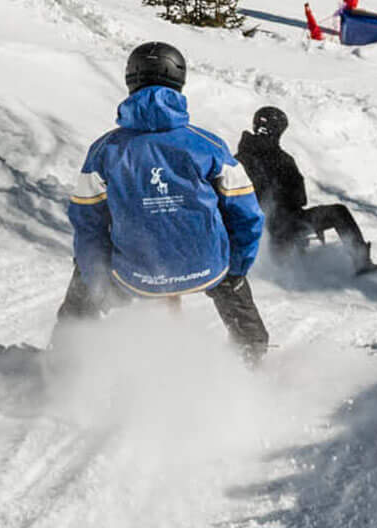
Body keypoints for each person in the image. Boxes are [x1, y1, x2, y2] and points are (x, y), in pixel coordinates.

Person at [56, 39, 269, 361]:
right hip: (208, 267)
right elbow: (246, 213)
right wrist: (236, 268)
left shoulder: (105, 150)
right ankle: (250, 353)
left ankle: (67, 358)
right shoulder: (207, 145)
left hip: (135, 273)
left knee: (84, 271)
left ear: (131, 81)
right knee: (230, 277)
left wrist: (96, 279)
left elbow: (87, 223)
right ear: (179, 82)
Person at [237, 107, 376, 274]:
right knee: (338, 213)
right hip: (279, 231)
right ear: (277, 130)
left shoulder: (239, 158)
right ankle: (362, 263)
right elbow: (300, 198)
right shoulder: (281, 159)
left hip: (261, 235)